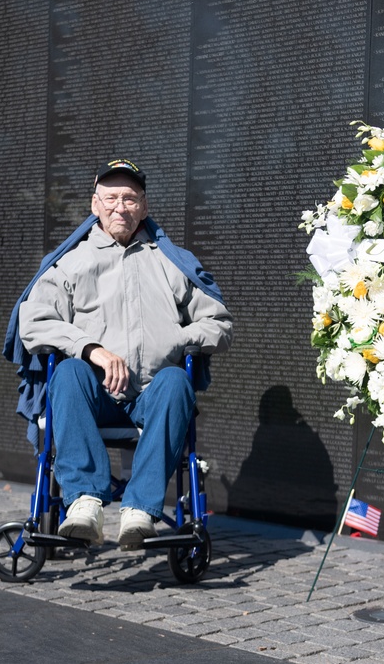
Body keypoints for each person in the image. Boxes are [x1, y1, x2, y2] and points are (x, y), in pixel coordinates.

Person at [15, 158, 233, 549]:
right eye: (111, 197)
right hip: (94, 398)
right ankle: (84, 502)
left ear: (144, 207)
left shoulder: (171, 263)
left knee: (175, 381)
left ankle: (139, 510)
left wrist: (176, 341)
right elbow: (33, 322)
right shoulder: (71, 263)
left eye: (130, 198)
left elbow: (218, 323)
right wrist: (90, 349)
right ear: (94, 204)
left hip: (150, 397)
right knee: (67, 374)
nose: (121, 206)